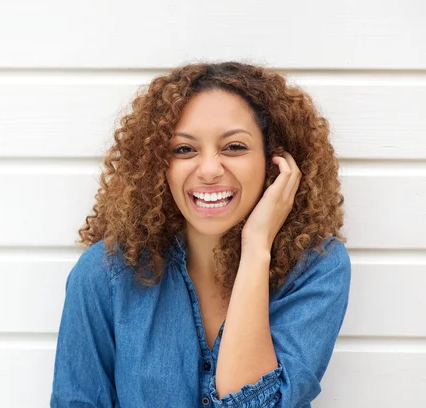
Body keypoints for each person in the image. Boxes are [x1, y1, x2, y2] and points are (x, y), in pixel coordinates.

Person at [50, 62, 351, 408]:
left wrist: (256, 249)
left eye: (234, 147)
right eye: (184, 149)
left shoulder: (317, 268)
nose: (209, 170)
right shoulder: (104, 274)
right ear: (156, 165)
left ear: (274, 162)